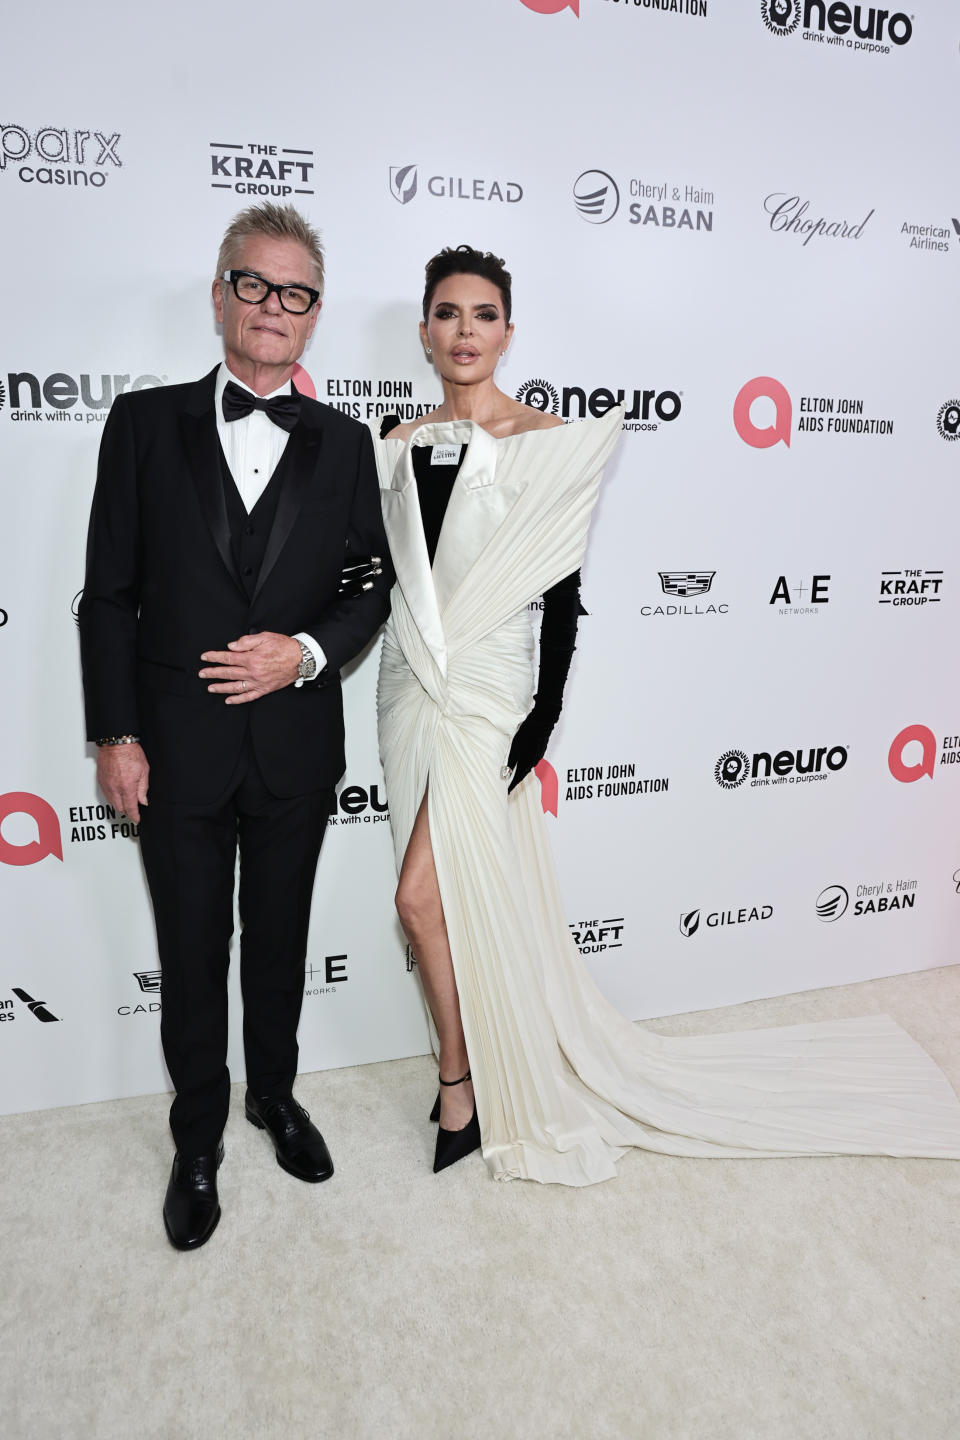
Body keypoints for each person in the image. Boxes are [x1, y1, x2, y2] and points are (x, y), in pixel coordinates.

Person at [371, 244, 960, 1185]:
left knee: (416, 894)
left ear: (509, 332)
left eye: (484, 315)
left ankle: (461, 1081)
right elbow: (389, 577)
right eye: (448, 314)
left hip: (489, 695)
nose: (465, 332)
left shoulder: (549, 440)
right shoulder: (394, 441)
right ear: (425, 330)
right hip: (405, 687)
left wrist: (546, 711)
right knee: (444, 898)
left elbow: (561, 597)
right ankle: (475, 1054)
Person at [79, 203, 392, 1248]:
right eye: (253, 285)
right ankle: (199, 1137)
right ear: (221, 296)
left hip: (297, 747)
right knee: (192, 944)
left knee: (281, 941)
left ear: (312, 318)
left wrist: (301, 653)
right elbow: (107, 596)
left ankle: (276, 1096)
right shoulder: (142, 424)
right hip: (173, 752)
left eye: (294, 293)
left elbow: (366, 585)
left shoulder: (348, 445)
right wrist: (114, 734)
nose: (272, 307)